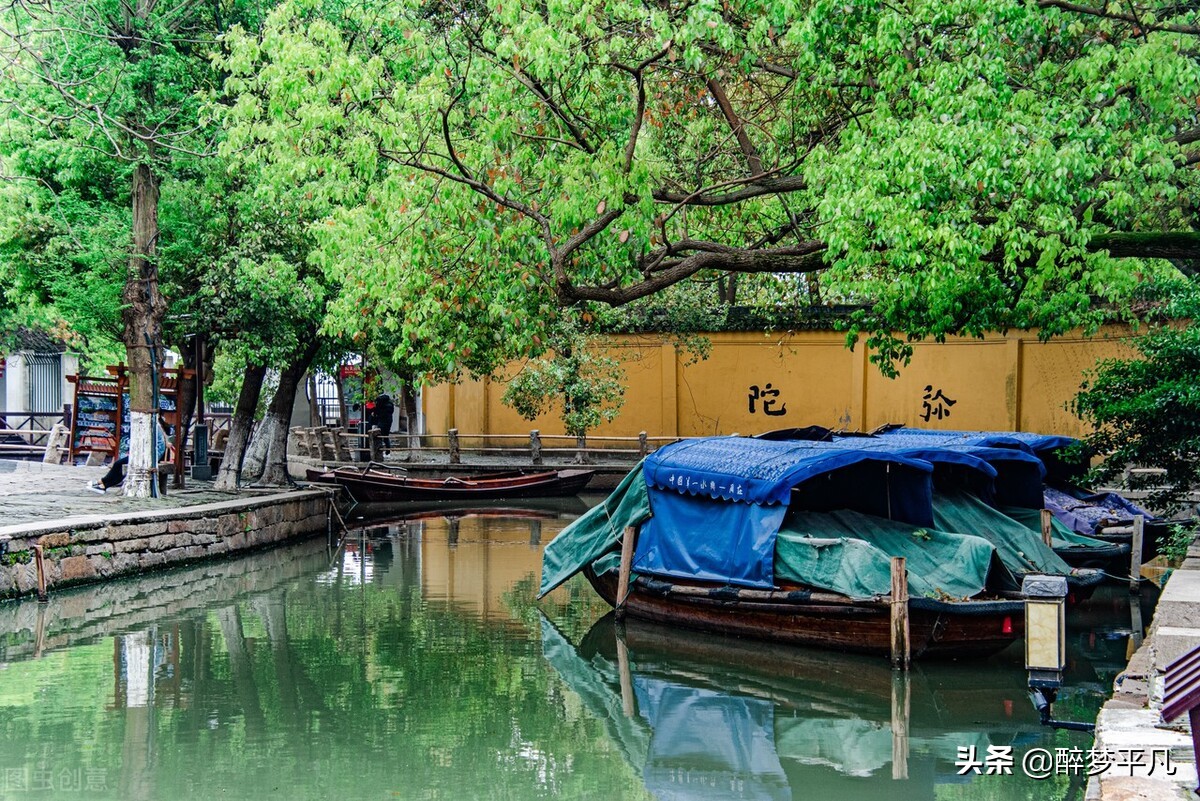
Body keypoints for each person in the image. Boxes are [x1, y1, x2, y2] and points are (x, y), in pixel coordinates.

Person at [87, 418, 168, 493]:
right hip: (146, 454)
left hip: (149, 456)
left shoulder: (152, 426)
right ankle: (103, 484)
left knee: (119, 465)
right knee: (119, 465)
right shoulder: (154, 425)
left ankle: (102, 483)